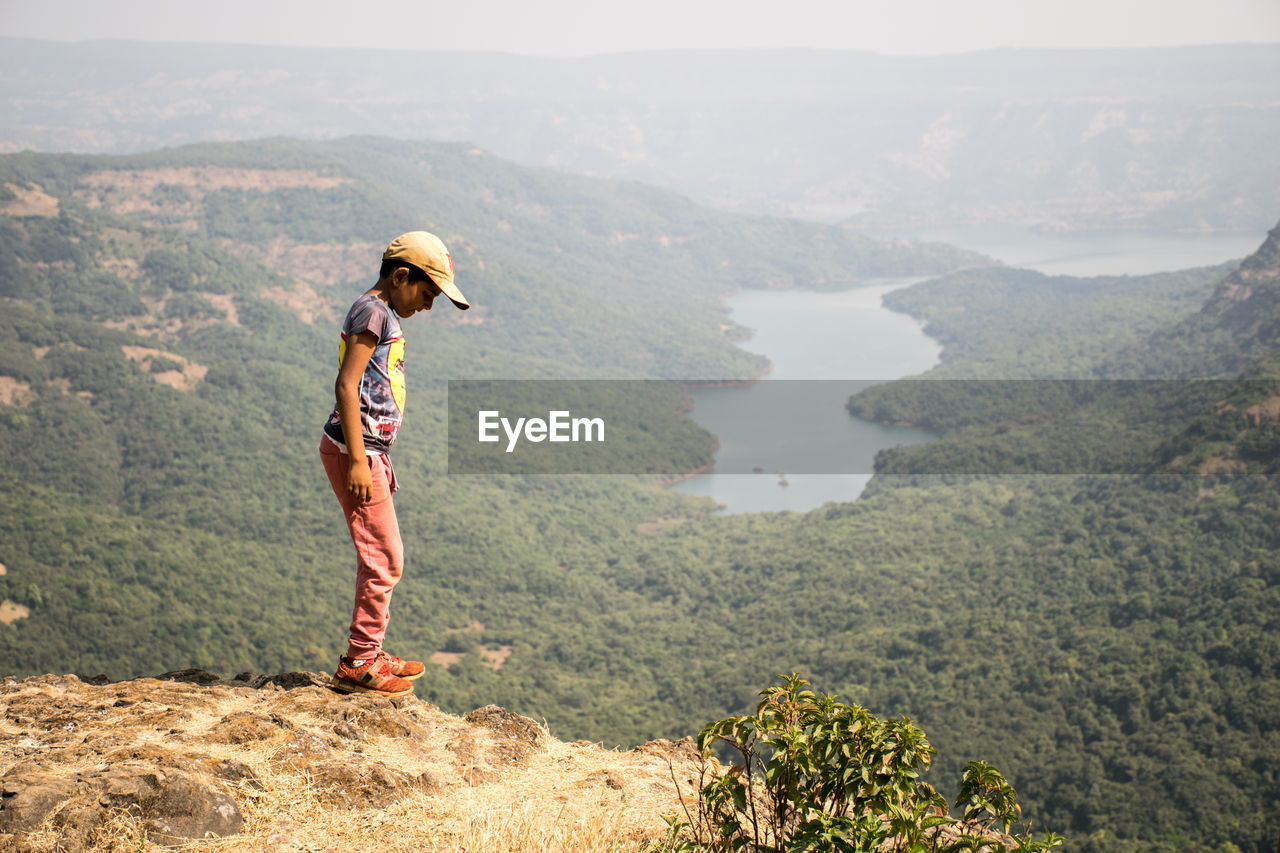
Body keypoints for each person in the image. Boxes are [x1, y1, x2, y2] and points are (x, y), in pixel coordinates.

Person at [319, 231, 470, 697]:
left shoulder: (381, 312)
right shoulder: (373, 312)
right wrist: (360, 462)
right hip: (355, 451)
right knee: (383, 560)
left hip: (366, 451)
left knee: (387, 557)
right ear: (401, 276)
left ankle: (371, 649)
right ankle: (360, 662)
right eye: (426, 294)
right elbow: (347, 385)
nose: (427, 306)